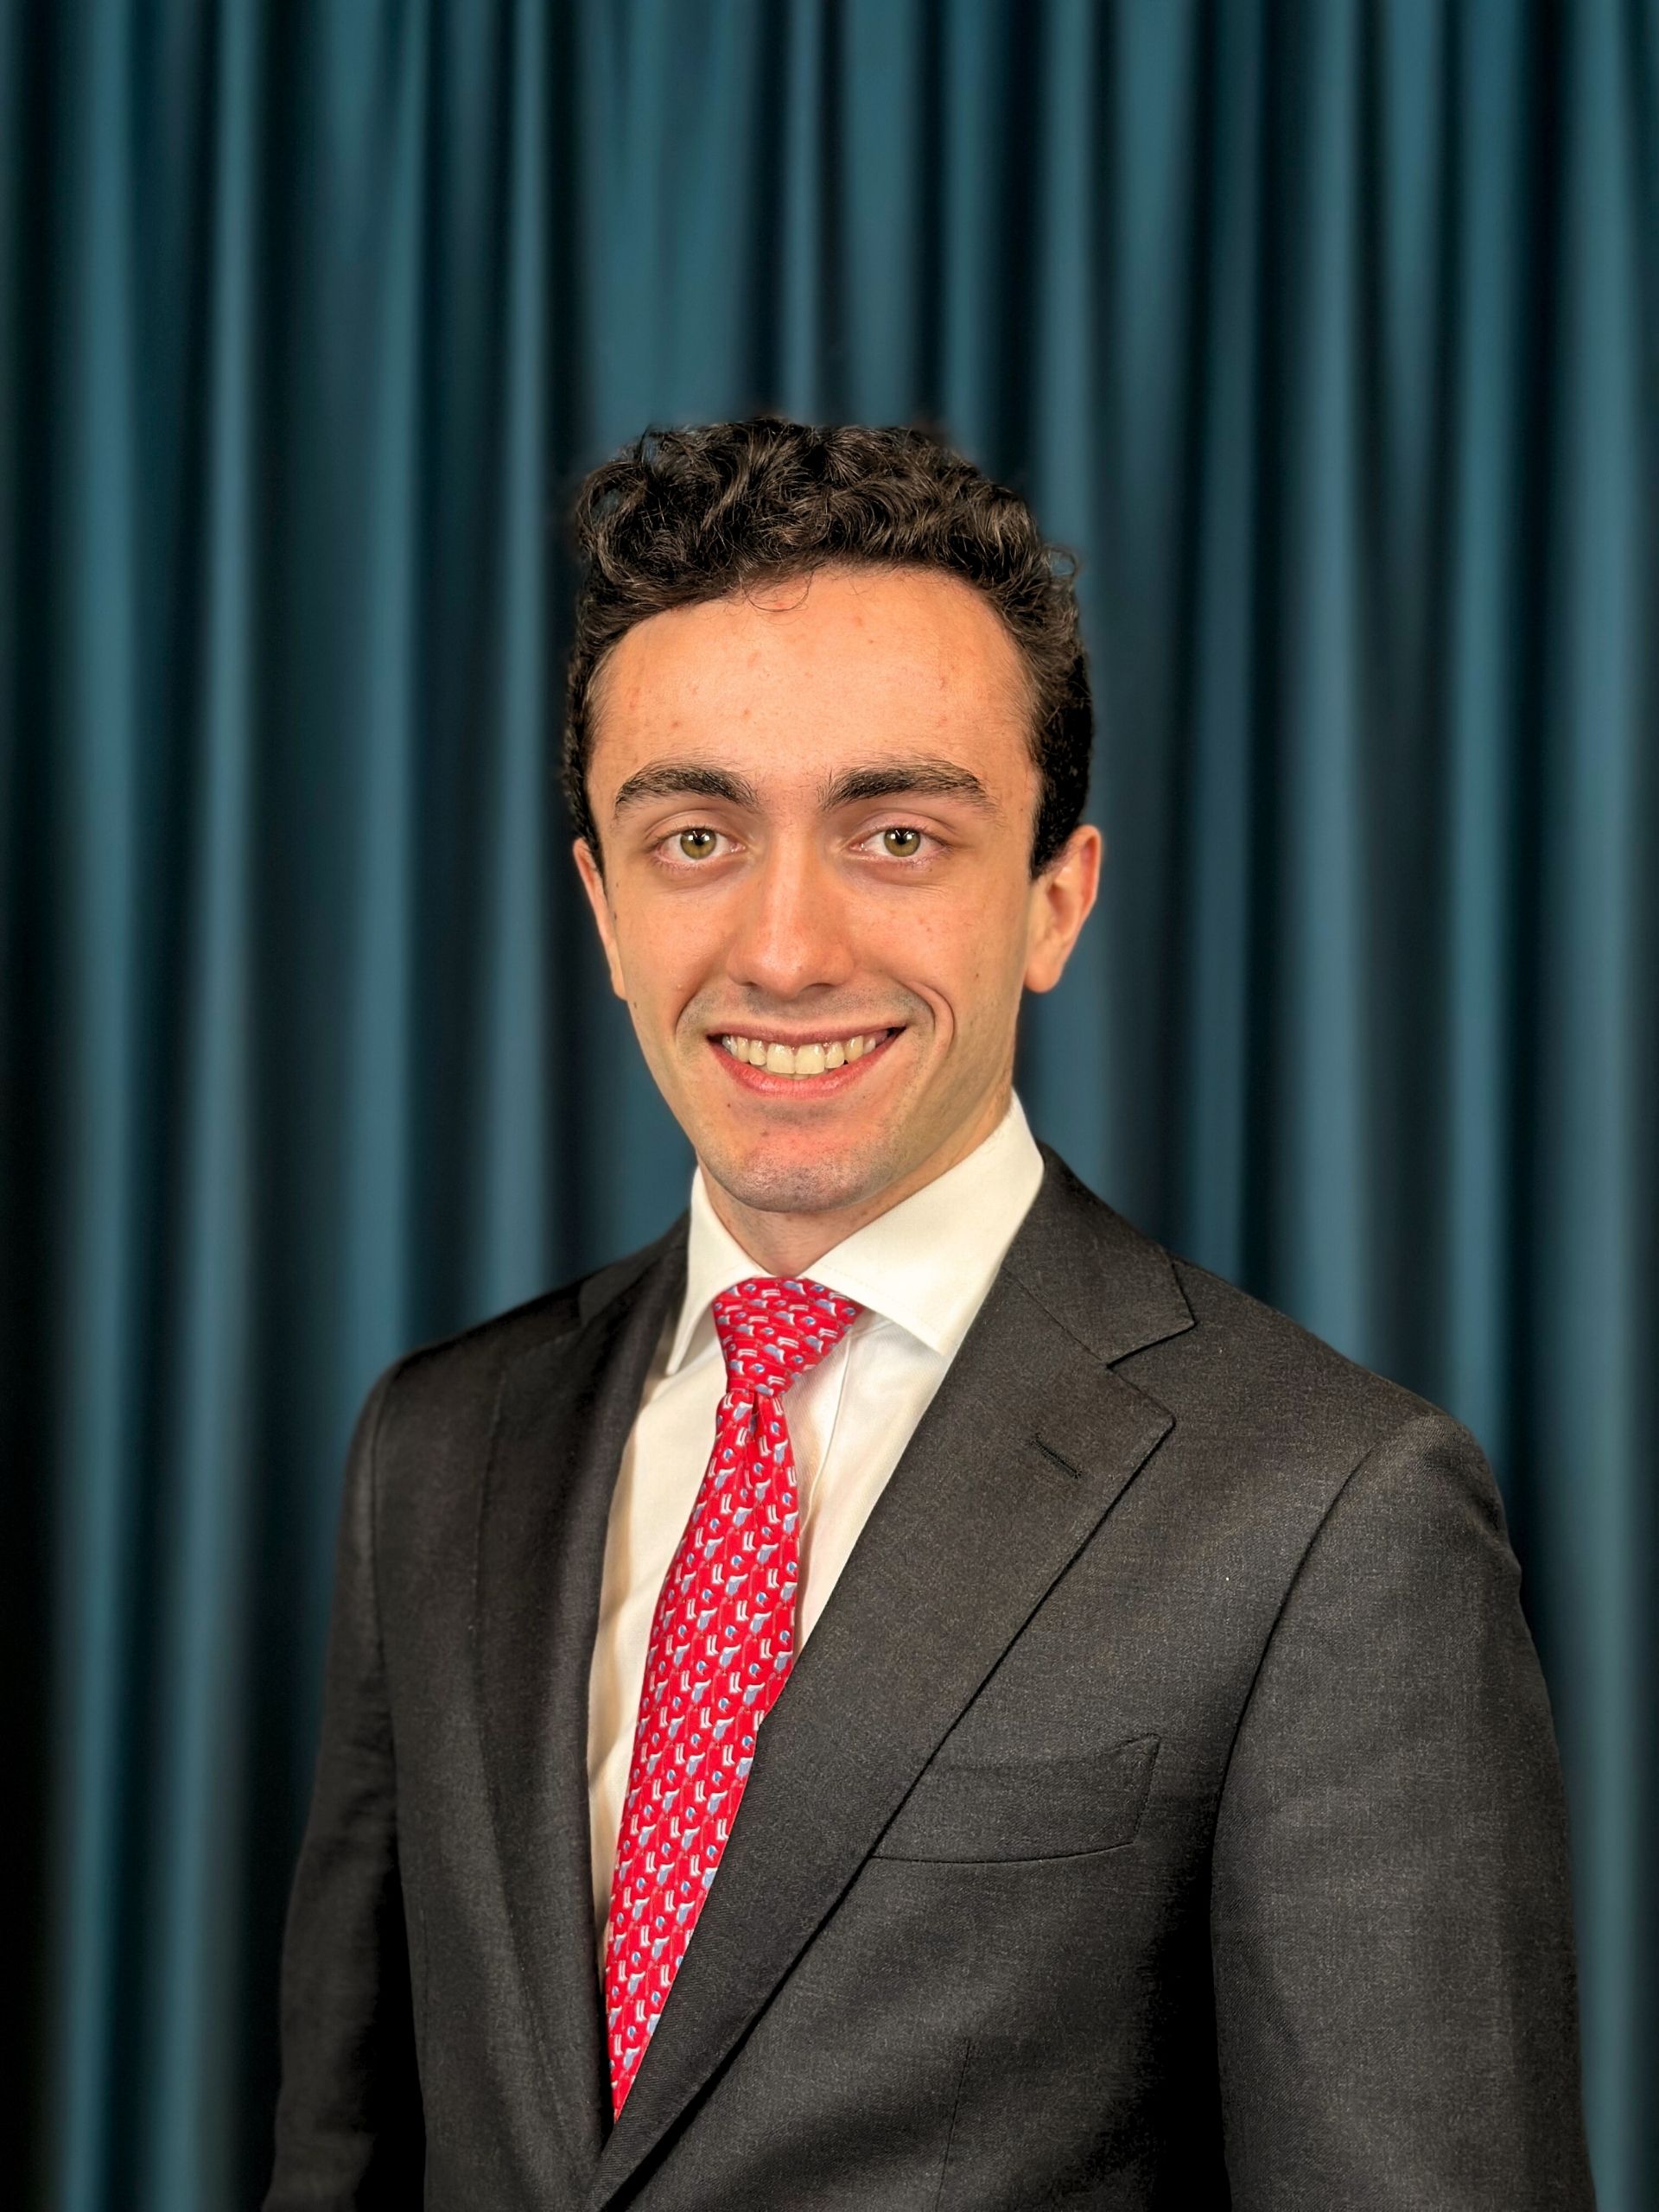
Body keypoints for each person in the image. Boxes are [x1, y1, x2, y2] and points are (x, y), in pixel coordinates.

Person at [265, 419, 1595, 2210]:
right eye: (695, 832)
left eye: (895, 831)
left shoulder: (1334, 1515)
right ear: (598, 900)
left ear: (1055, 895)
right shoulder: (434, 1450)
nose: (788, 945)